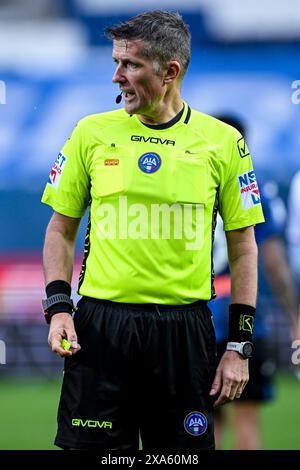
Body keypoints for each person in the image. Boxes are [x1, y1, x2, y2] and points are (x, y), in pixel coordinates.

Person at [41, 11, 264, 450]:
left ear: (170, 71)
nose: (116, 76)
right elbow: (60, 230)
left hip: (184, 333)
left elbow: (244, 249)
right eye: (115, 62)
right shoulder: (90, 133)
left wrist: (239, 346)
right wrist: (59, 307)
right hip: (102, 328)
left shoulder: (222, 142)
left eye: (130, 65)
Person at [210, 115, 300, 450]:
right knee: (247, 416)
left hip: (194, 317)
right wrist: (294, 318)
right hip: (243, 318)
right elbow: (274, 261)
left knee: (203, 420)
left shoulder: (187, 181)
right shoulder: (254, 186)